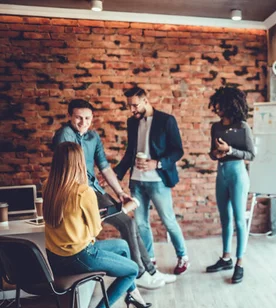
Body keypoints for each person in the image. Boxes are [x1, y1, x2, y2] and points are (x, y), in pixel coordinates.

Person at [53, 99, 170, 290]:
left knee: (129, 223)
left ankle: (150, 270)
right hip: (78, 193)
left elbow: (105, 168)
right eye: (78, 118)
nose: (83, 122)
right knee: (127, 223)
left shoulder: (93, 137)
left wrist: (120, 193)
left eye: (88, 118)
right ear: (69, 117)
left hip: (95, 192)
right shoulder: (64, 135)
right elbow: (65, 167)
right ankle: (140, 272)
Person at [44, 142, 151, 308]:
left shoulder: (49, 188)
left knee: (122, 246)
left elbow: (70, 219)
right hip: (80, 256)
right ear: (79, 163)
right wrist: (124, 210)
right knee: (132, 270)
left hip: (57, 259)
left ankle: (132, 295)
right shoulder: (84, 192)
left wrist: (92, 214)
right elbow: (94, 230)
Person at [114, 87, 190, 275]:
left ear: (145, 100)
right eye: (129, 106)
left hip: (158, 180)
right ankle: (150, 260)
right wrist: (116, 174)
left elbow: (177, 151)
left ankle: (183, 257)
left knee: (168, 221)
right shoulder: (132, 123)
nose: (132, 110)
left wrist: (157, 163)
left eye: (134, 105)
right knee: (140, 224)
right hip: (137, 181)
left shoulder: (166, 120)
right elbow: (130, 152)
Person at [205, 86, 256, 284]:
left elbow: (251, 155)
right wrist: (216, 154)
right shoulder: (215, 127)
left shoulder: (243, 127)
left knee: (239, 220)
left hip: (238, 175)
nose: (217, 108)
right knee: (225, 218)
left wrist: (231, 150)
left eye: (220, 105)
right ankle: (226, 258)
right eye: (216, 105)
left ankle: (239, 262)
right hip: (222, 174)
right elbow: (211, 152)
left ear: (230, 105)